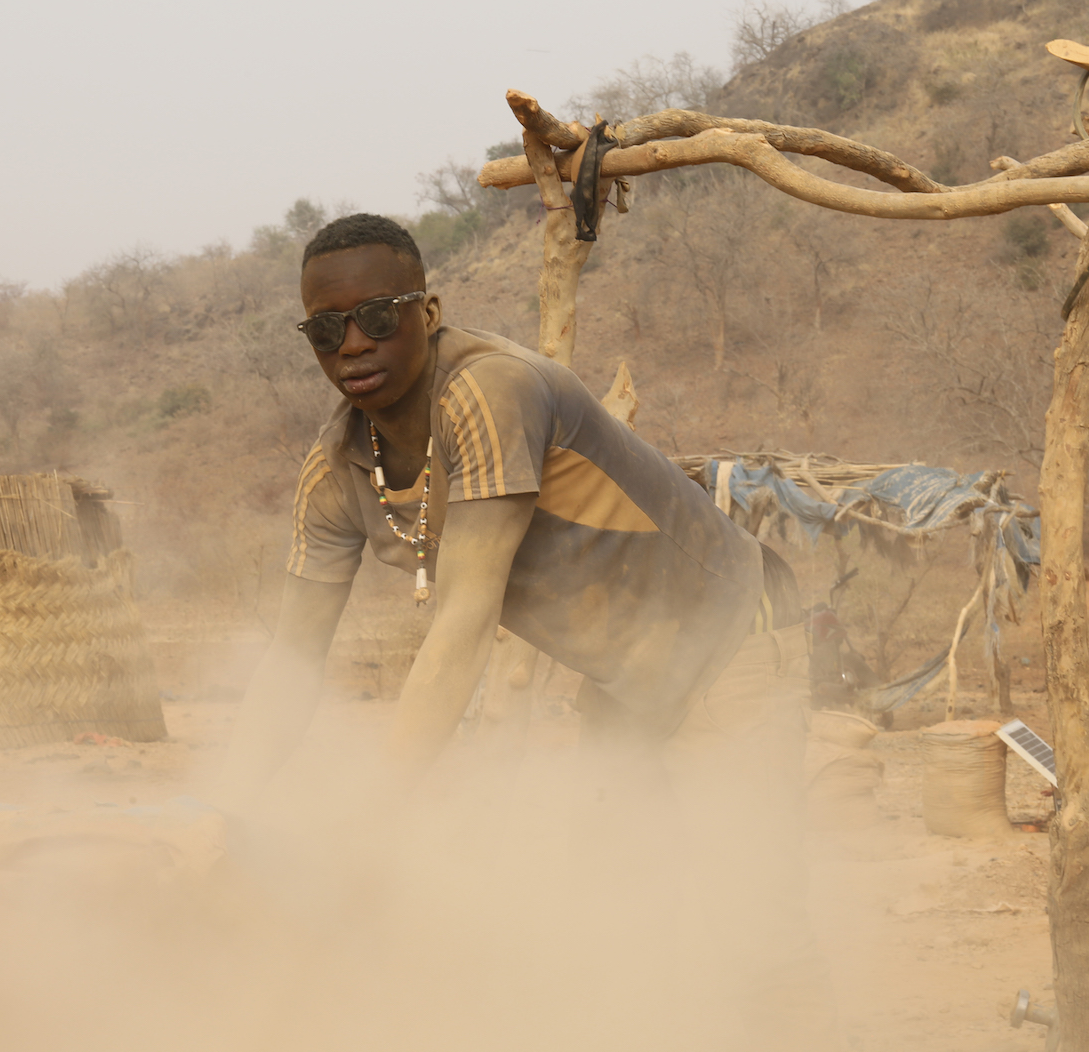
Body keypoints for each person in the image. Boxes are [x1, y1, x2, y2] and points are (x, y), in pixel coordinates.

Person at [217, 213, 807, 856]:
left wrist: (372, 814)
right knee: (632, 905)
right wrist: (221, 815)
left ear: (430, 312)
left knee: (755, 911)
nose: (352, 345)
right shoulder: (334, 473)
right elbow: (291, 663)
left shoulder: (488, 392)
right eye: (326, 329)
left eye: (378, 316)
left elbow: (465, 622)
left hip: (733, 633)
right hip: (622, 683)